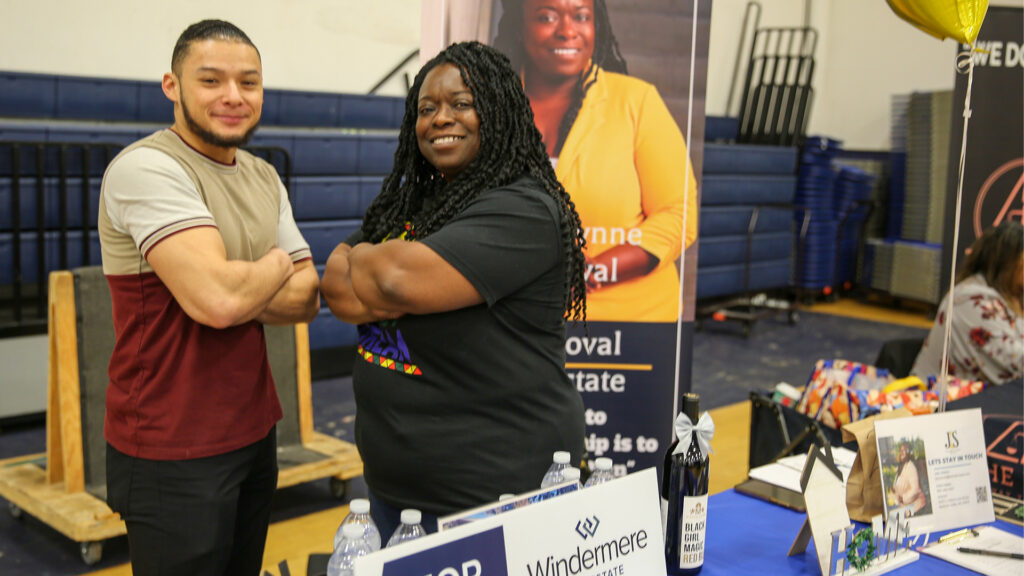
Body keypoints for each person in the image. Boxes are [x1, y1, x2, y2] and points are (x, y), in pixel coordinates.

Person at [320, 41, 587, 541]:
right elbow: (337, 291)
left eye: (461, 104)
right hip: (393, 496)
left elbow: (392, 280)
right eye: (427, 108)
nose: (441, 118)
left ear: (498, 111)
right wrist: (370, 268)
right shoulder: (413, 202)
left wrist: (362, 260)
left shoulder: (525, 210)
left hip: (494, 502)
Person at [98, 20, 319, 575]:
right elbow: (218, 302)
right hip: (169, 446)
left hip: (254, 431)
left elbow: (307, 297)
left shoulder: (264, 176)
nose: (233, 97)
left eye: (249, 82)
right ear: (172, 86)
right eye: (211, 80)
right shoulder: (147, 168)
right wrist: (273, 264)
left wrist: (238, 286)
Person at [492, 0, 698, 322]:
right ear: (519, 27)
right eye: (547, 17)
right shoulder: (490, 108)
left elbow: (678, 214)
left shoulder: (636, 101)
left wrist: (589, 275)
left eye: (581, 16)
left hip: (627, 332)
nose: (567, 31)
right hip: (517, 324)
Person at [912, 221, 1023, 385]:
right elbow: (1015, 362)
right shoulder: (970, 301)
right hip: (939, 402)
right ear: (1007, 266)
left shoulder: (1012, 295)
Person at [893, 442, 928, 515]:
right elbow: (897, 485)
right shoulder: (901, 467)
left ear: (909, 453)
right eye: (900, 450)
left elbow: (915, 490)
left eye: (904, 450)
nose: (901, 453)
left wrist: (903, 498)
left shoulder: (911, 467)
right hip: (906, 510)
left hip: (917, 509)